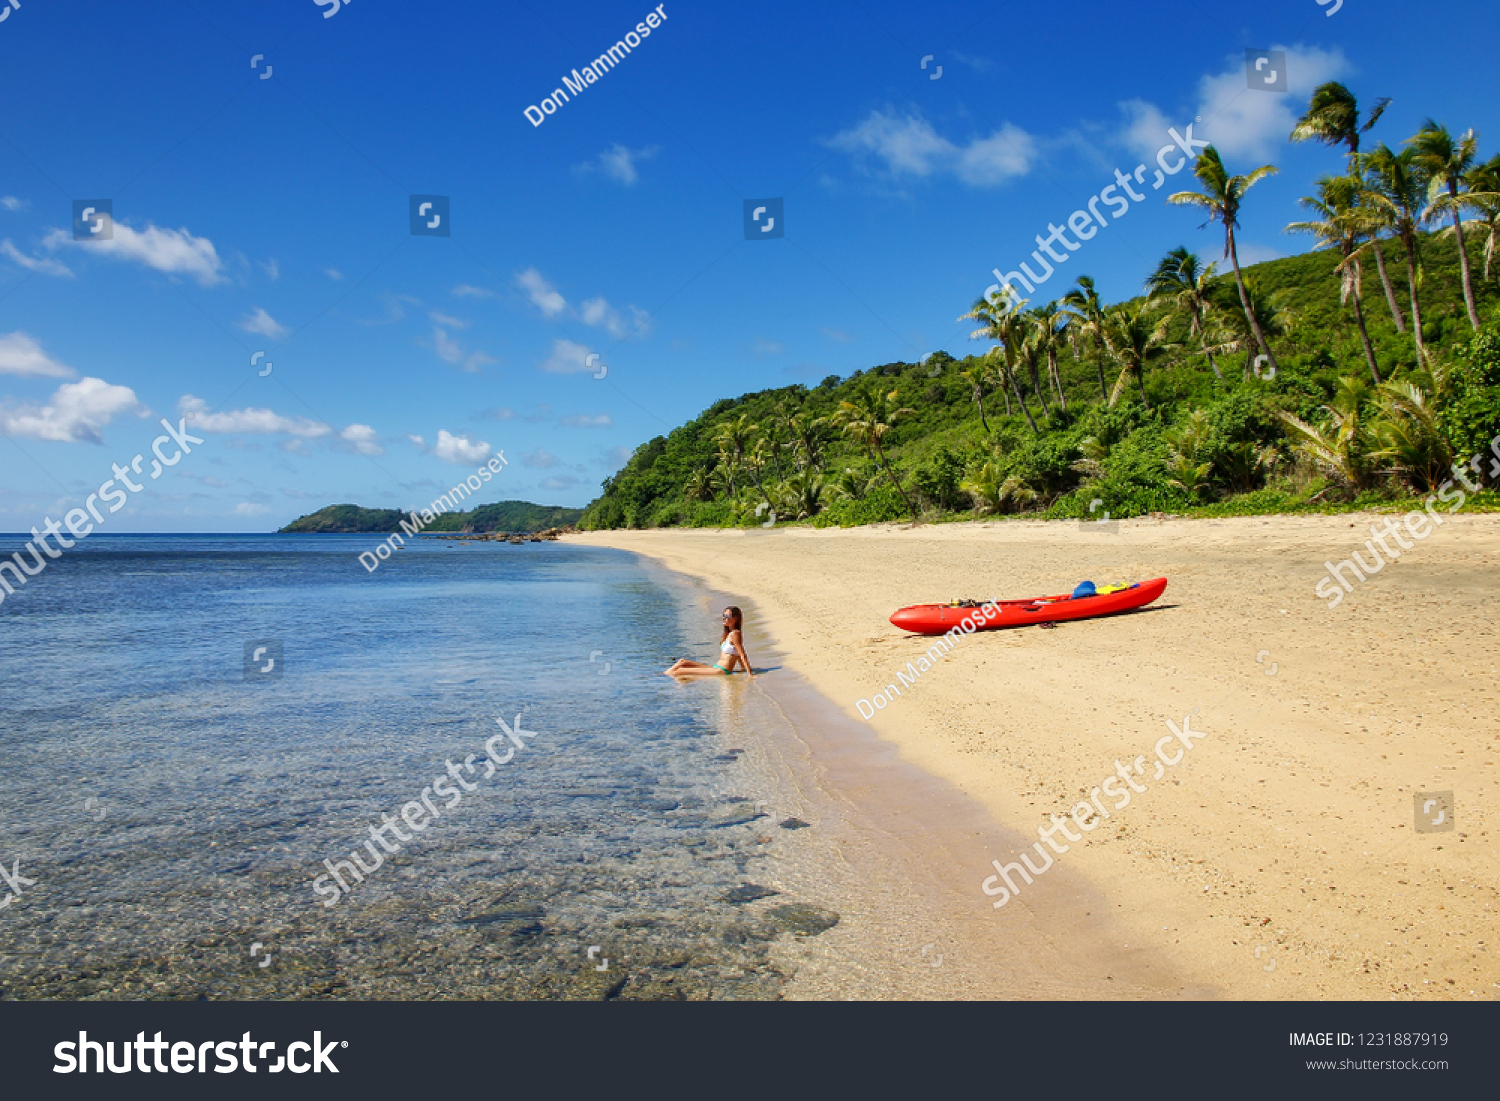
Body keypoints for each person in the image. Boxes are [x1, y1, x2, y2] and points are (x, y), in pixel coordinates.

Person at [663, 606, 754, 678]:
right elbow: (736, 654)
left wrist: (750, 674)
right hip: (716, 667)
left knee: (679, 671)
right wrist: (742, 669)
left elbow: (742, 654)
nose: (723, 618)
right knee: (682, 662)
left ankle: (661, 680)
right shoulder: (728, 634)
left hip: (722, 670)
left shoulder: (735, 634)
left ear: (735, 619)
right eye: (723, 616)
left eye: (726, 616)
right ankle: (661, 675)